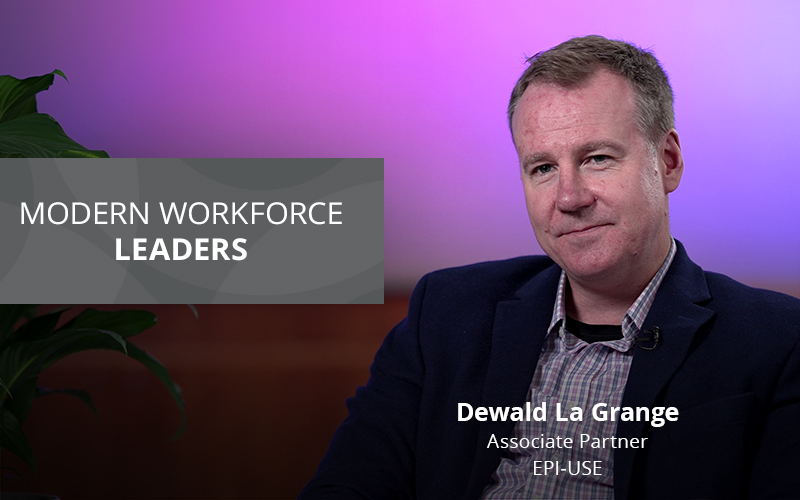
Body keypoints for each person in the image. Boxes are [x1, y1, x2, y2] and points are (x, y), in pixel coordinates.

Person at [299, 36, 800, 499]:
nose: (569, 198)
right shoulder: (445, 312)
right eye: (543, 168)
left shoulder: (777, 341)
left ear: (667, 161)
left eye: (597, 158)